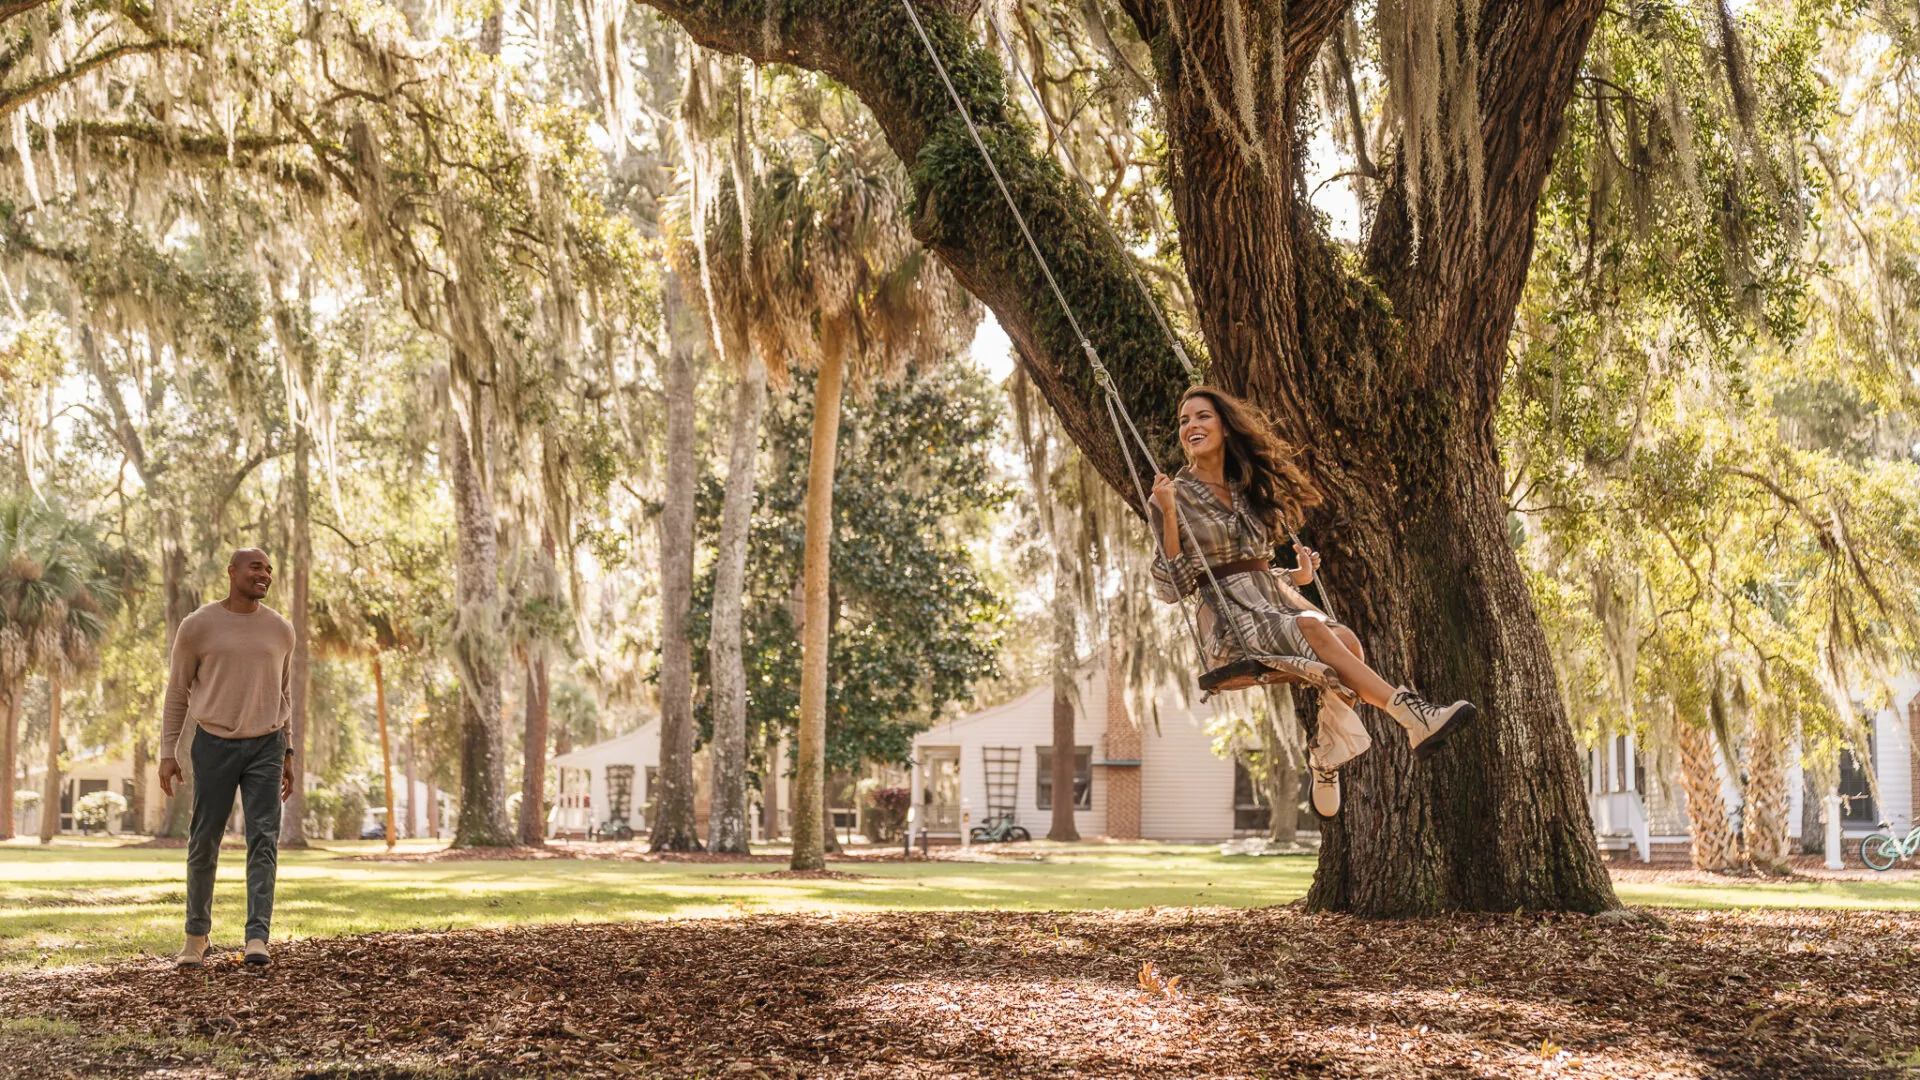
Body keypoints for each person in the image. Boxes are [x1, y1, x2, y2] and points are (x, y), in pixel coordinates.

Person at [1149, 386, 1475, 820]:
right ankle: (1413, 714)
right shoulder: (1175, 494)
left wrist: (1296, 577)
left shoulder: (1246, 487)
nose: (1191, 426)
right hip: (1230, 622)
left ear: (1225, 427)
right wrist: (1169, 514)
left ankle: (1326, 758)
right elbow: (1172, 587)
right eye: (1184, 420)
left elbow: (1251, 566)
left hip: (1272, 602)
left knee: (1349, 642)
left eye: (1202, 417)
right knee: (1316, 629)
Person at [157, 548, 296, 968]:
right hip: (213, 744)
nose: (265, 575)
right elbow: (177, 691)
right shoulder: (197, 626)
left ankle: (257, 938)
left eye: (270, 569)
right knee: (203, 841)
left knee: (263, 841)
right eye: (257, 567)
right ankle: (196, 938)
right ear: (232, 571)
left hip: (267, 747)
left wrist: (288, 750)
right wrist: (168, 752)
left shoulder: (281, 630)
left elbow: (284, 693)